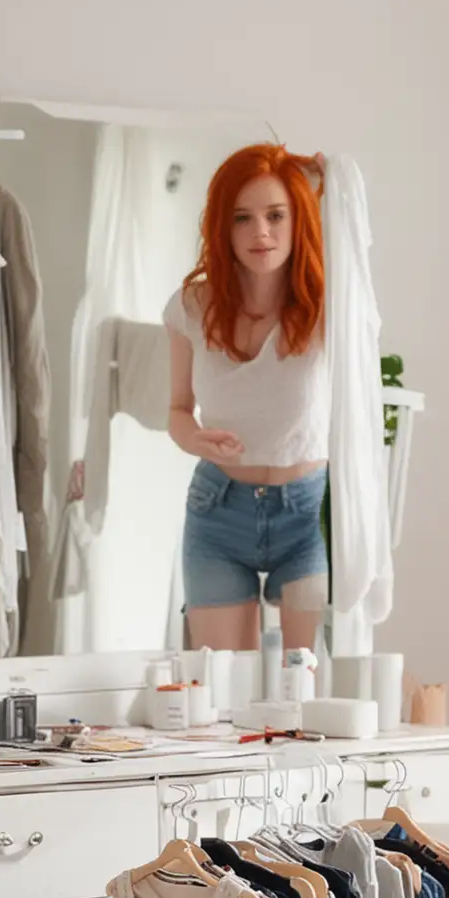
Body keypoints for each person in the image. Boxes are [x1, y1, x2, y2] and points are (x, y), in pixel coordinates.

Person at [166, 144, 329, 653]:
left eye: (276, 215)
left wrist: (332, 184)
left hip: (307, 513)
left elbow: (357, 247)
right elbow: (176, 410)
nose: (261, 232)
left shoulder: (328, 305)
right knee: (219, 690)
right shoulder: (193, 306)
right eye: (243, 218)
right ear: (222, 226)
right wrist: (197, 439)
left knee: (304, 691)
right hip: (219, 508)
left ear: (298, 218)